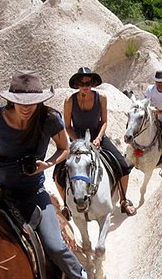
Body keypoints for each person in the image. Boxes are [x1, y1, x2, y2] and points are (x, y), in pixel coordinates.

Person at [0, 69, 101, 279]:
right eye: (22, 103)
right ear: (10, 99)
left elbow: (64, 148)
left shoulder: (50, 119)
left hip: (32, 192)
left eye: (33, 103)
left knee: (56, 245)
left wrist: (46, 165)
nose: (27, 108)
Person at [54, 67, 137, 217]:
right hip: (77, 140)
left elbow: (104, 121)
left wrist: (98, 138)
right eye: (82, 82)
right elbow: (67, 126)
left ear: (93, 83)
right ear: (77, 84)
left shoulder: (102, 98)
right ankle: (66, 205)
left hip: (98, 138)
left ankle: (124, 200)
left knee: (123, 166)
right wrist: (78, 141)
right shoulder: (69, 101)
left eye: (88, 82)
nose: (85, 84)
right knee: (57, 173)